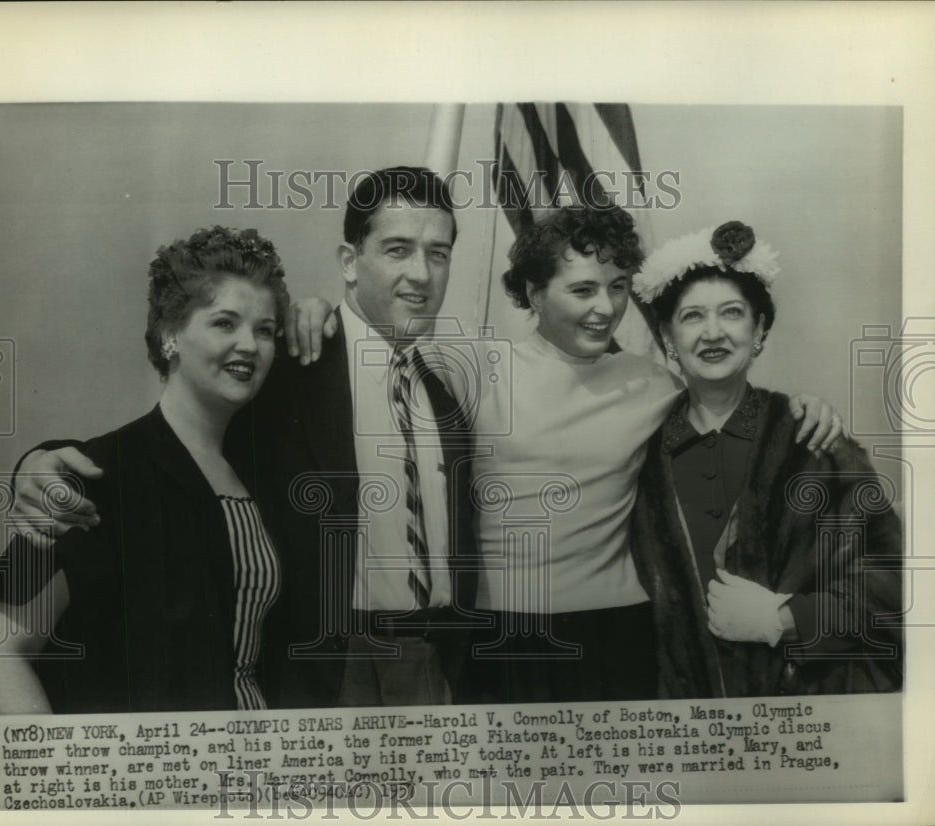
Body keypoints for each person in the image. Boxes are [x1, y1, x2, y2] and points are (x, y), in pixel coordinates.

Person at [286, 206, 845, 704]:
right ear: (533, 294)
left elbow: (730, 405)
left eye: (619, 287)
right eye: (582, 291)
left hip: (617, 633)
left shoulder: (654, 383)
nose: (606, 308)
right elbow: (372, 347)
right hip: (492, 635)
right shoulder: (468, 368)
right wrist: (314, 311)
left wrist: (807, 407)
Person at [5, 167, 478, 709]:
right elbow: (170, 435)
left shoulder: (444, 401)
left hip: (436, 668)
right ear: (350, 262)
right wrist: (39, 462)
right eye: (398, 249)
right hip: (328, 673)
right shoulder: (292, 366)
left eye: (438, 254)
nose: (421, 273)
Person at [0, 226, 289, 713]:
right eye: (225, 323)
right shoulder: (97, 474)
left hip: (256, 763)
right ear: (170, 336)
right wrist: (60, 775)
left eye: (265, 330)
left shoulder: (258, 473)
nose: (249, 344)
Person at [629, 220, 903, 697]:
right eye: (692, 316)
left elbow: (895, 589)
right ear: (668, 337)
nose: (713, 333)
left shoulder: (817, 443)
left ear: (759, 329)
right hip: (678, 725)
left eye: (732, 313)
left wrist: (783, 619)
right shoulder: (636, 453)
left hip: (808, 720)